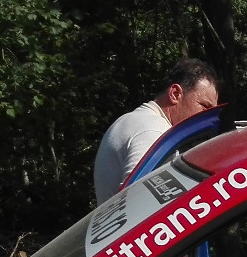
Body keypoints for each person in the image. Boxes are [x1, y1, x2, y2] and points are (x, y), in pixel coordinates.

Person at [93, 58, 220, 203]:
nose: (208, 117)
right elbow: (137, 200)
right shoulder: (154, 130)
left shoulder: (133, 120)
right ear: (175, 94)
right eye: (205, 106)